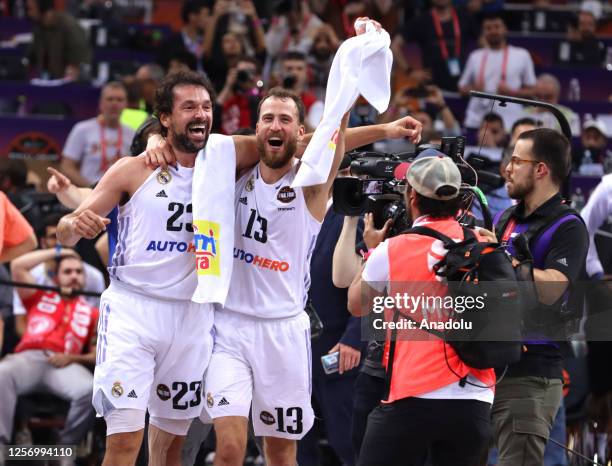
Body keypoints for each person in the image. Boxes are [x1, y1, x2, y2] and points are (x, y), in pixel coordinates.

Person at [56, 71, 221, 466]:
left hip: (192, 316)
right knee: (124, 442)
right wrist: (73, 226)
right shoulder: (132, 169)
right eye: (189, 107)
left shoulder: (224, 165)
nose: (200, 114)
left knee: (169, 452)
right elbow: (64, 231)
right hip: (134, 312)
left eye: (206, 106)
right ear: (165, 118)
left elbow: (288, 147)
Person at [347, 151, 495, 466]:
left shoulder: (394, 248)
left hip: (413, 397)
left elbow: (357, 305)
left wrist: (372, 249)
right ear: (458, 200)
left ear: (412, 195)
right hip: (476, 402)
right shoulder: (483, 244)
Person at [482, 128, 589, 466]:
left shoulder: (568, 225)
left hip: (531, 373)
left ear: (541, 169)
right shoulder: (506, 219)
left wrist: (505, 260)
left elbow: (553, 288)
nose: (507, 169)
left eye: (516, 161)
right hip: (487, 367)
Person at [1, 249, 98, 459]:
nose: (73, 276)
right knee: (1, 373)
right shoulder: (39, 294)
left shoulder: (93, 312)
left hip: (65, 365)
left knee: (91, 390)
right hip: (29, 358)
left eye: (78, 272)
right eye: (68, 271)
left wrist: (73, 358)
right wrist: (60, 251)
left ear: (84, 278)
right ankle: (1, 447)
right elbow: (18, 265)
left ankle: (63, 451)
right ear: (56, 276)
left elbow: (97, 353)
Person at [458, 12, 536, 130]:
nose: (493, 31)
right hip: (477, 119)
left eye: (497, 27)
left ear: (505, 29)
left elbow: (533, 91)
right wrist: (474, 89)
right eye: (488, 28)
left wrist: (512, 92)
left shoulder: (522, 55)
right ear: (483, 32)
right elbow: (461, 88)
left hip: (510, 120)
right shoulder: (475, 56)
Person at [391, 0, 479, 91]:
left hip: (462, 89)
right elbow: (395, 46)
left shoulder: (465, 18)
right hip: (432, 90)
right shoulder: (421, 20)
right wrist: (410, 71)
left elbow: (485, 44)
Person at [60, 81, 135, 187]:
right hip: (87, 193)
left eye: (119, 100)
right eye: (110, 99)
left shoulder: (132, 134)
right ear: (101, 103)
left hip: (119, 197)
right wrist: (91, 189)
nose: (114, 103)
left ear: (126, 104)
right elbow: (67, 167)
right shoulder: (82, 129)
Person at [25, 0, 91, 80]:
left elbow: (81, 56)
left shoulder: (69, 26)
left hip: (70, 81)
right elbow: (32, 55)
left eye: (31, 9)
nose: (29, 13)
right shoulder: (38, 28)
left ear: (43, 8)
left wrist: (74, 68)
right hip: (47, 79)